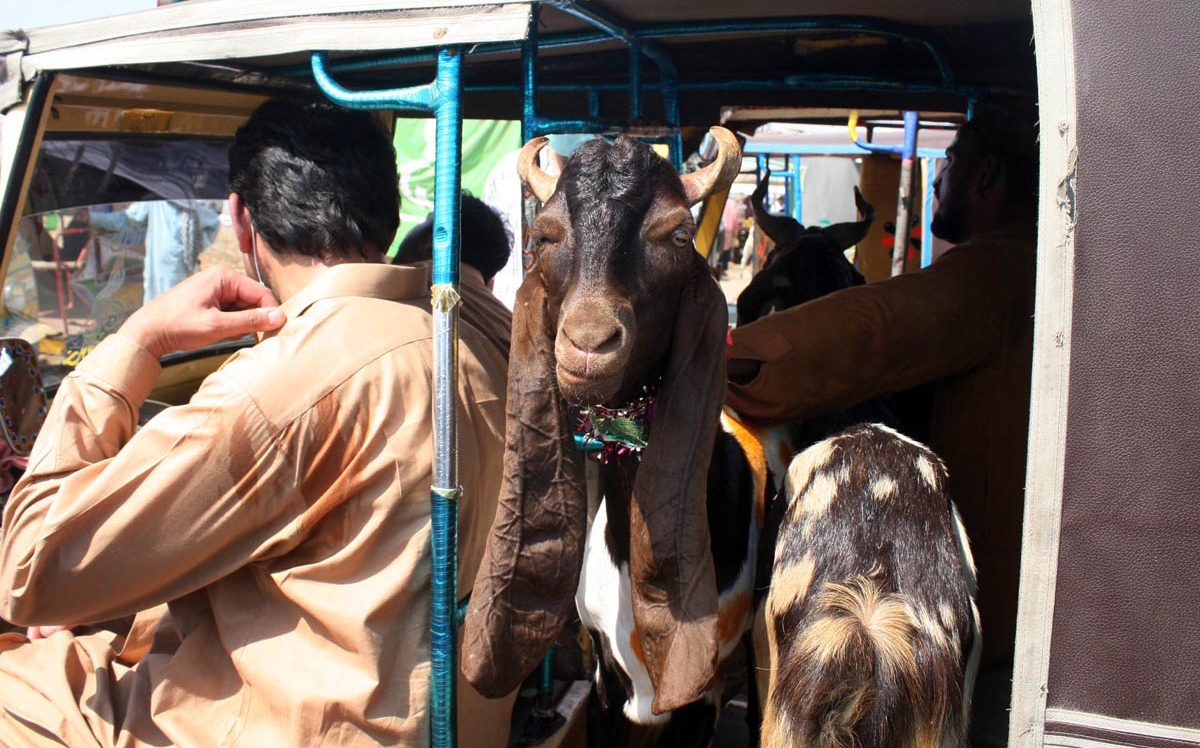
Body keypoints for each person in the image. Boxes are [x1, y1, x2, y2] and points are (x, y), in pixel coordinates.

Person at [0, 99, 510, 748]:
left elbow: (27, 568)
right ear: (385, 209)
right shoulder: (472, 338)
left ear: (241, 220)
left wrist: (141, 338)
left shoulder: (287, 386)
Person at [727, 106, 1037, 746]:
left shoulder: (994, 272)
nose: (941, 176)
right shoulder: (1033, 263)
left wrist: (725, 356)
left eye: (950, 163)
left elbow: (873, 332)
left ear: (986, 176)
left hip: (976, 622)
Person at [393, 193, 513, 358]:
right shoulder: (514, 329)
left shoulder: (403, 287)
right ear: (490, 285)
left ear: (429, 241)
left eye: (426, 222)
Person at [90, 199, 220, 302]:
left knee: (167, 309)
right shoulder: (172, 202)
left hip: (173, 266)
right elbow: (127, 219)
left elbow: (126, 219)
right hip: (167, 264)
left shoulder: (182, 203)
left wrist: (194, 247)